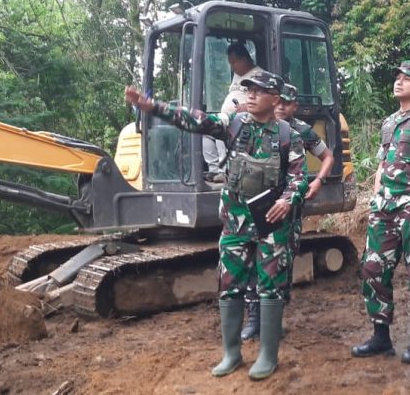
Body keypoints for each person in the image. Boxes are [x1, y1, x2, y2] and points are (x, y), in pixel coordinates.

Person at [124, 69, 307, 381]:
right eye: (248, 89)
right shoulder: (233, 124)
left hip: (271, 224)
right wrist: (153, 107)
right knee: (229, 286)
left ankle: (267, 354)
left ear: (274, 98)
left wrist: (288, 200)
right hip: (236, 222)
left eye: (258, 91)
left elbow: (300, 178)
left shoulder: (289, 136)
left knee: (270, 288)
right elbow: (195, 119)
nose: (250, 95)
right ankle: (232, 353)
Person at [351, 61, 410, 365]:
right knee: (373, 269)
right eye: (398, 78)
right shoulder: (389, 121)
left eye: (408, 78)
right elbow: (382, 162)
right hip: (385, 206)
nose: (400, 82)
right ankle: (381, 337)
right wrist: (376, 195)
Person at [239, 83, 335, 340]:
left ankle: (274, 317)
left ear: (295, 106)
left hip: (288, 210)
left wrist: (318, 180)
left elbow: (327, 156)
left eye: (287, 103)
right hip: (256, 206)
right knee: (251, 262)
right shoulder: (253, 125)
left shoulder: (300, 130)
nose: (281, 107)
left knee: (281, 265)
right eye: (278, 102)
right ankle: (254, 317)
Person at [202, 43, 264, 180]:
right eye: (230, 63)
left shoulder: (259, 75)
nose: (232, 66)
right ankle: (214, 169)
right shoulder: (237, 75)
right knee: (206, 132)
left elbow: (265, 102)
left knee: (221, 130)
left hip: (244, 122)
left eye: (234, 62)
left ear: (245, 59)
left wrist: (247, 107)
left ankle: (225, 172)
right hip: (230, 117)